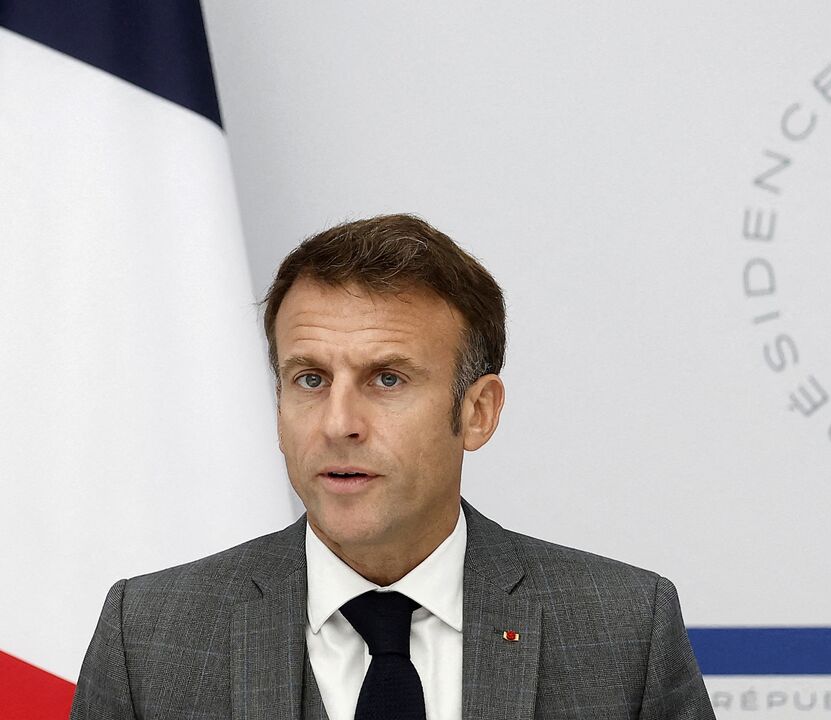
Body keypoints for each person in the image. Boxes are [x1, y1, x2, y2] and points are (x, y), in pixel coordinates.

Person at [70, 214, 715, 719]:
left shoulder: (623, 628)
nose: (337, 422)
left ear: (477, 412)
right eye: (310, 378)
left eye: (386, 379)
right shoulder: (151, 635)